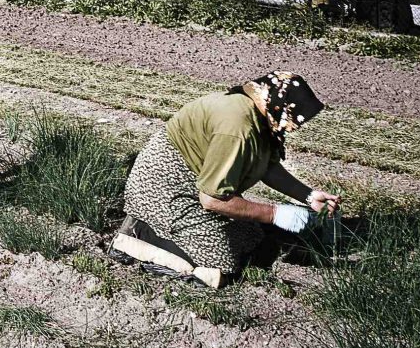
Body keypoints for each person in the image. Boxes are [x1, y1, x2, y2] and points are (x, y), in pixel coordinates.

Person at [113, 72, 341, 288]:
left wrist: (308, 196)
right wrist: (276, 214)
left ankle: (165, 229)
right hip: (162, 186)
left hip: (197, 183)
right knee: (221, 261)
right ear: (282, 107)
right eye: (294, 121)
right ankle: (139, 234)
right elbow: (212, 199)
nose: (294, 127)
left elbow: (267, 167)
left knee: (251, 239)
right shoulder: (238, 126)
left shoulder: (258, 115)